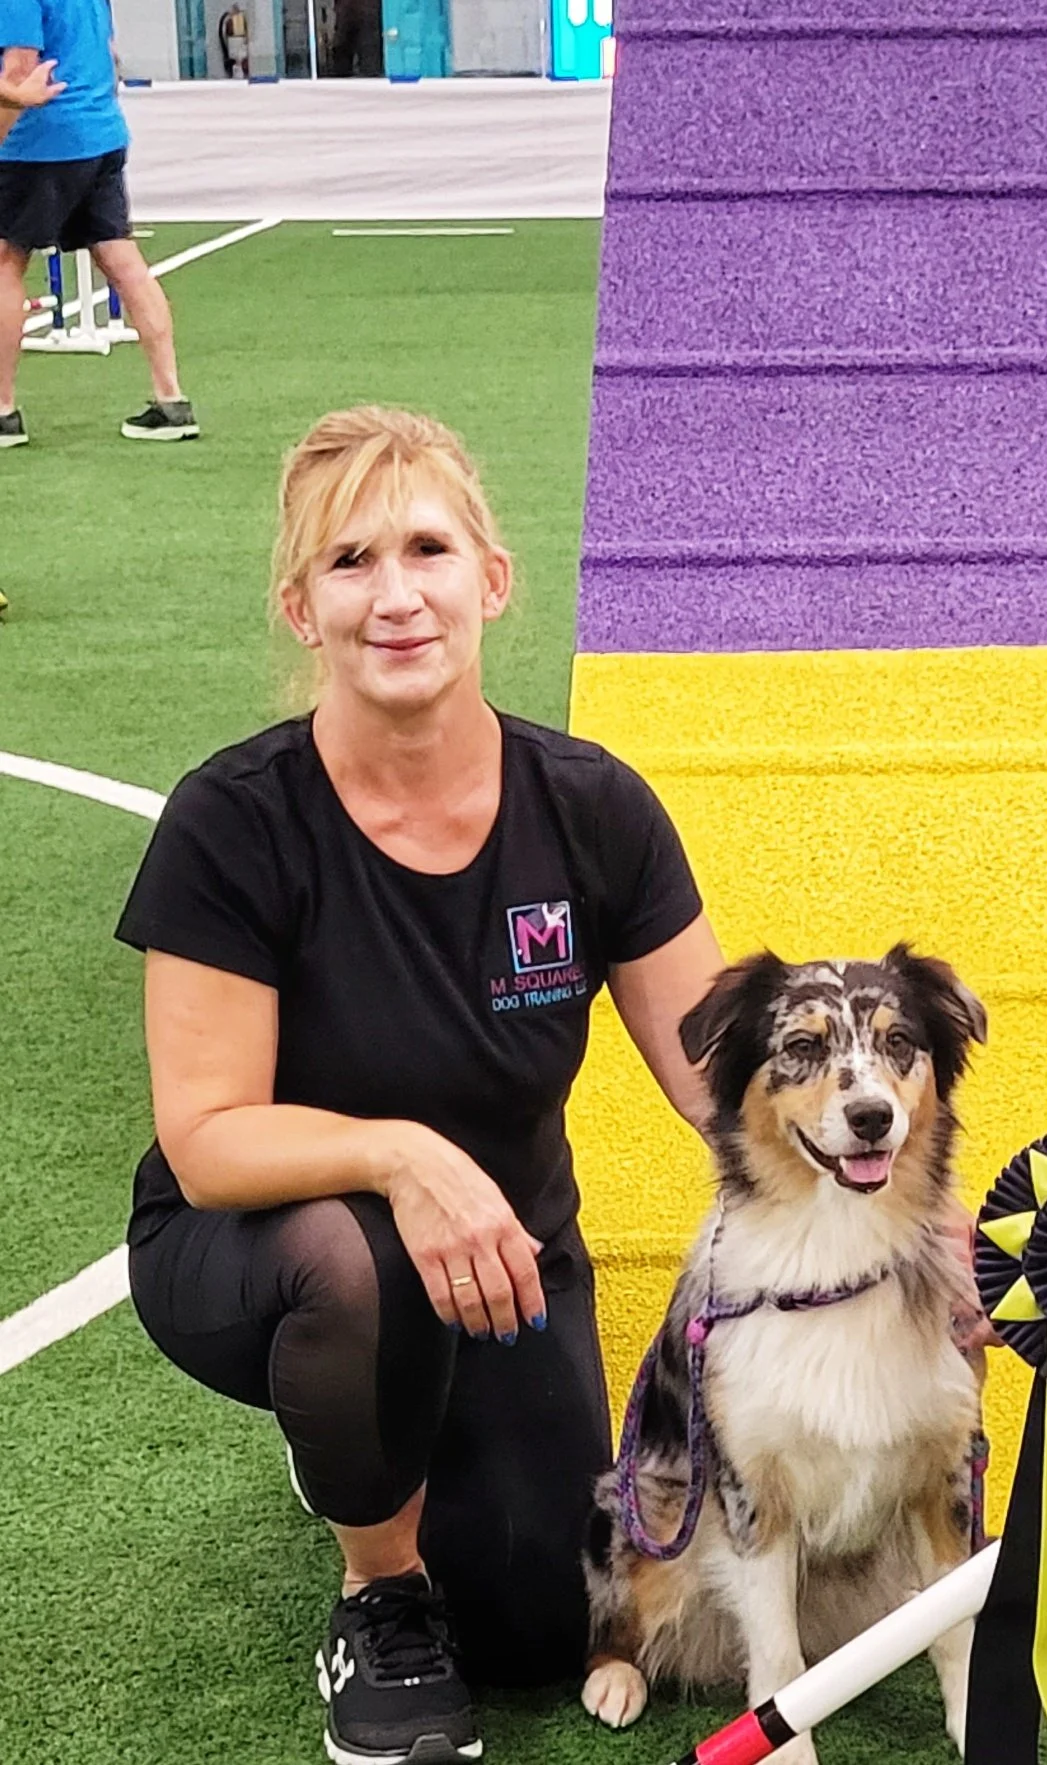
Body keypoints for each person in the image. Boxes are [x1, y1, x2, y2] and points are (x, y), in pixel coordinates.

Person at [117, 407, 725, 1765]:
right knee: (347, 1269)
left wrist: (890, 1225)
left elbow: (718, 1079)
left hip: (506, 1260)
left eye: (428, 548)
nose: (394, 595)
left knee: (528, 1624)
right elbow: (209, 1139)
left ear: (491, 579)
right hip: (261, 1244)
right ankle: (374, 1583)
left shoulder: (591, 806)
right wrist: (401, 1152)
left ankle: (387, 1451)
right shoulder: (233, 821)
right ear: (300, 607)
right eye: (349, 563)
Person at [0, 0, 197, 449]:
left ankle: (2, 411)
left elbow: (21, 73)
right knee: (122, 258)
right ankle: (172, 400)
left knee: (6, 261)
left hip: (41, 143)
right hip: (101, 131)